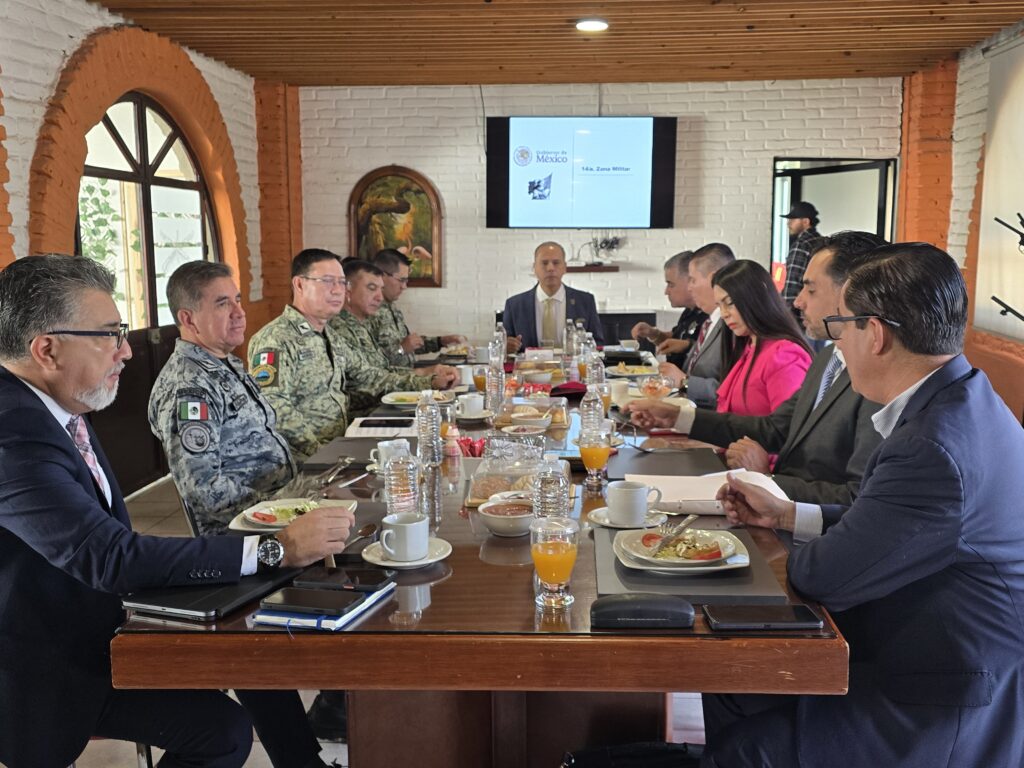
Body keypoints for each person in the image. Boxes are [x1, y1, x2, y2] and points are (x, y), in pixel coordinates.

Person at [0, 255, 351, 768]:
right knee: (224, 727)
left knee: (237, 674)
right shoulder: (14, 434)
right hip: (48, 661)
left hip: (104, 616)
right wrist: (276, 548)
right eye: (109, 334)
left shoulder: (58, 403)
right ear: (47, 349)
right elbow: (109, 556)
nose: (125, 350)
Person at [702, 243, 1024, 767]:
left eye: (840, 326)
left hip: (942, 693)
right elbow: (888, 524)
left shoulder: (931, 448)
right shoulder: (966, 397)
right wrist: (786, 514)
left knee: (743, 750)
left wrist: (788, 541)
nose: (836, 345)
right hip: (932, 651)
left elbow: (824, 577)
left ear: (875, 333)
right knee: (730, 687)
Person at [627, 231, 886, 504]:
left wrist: (765, 480)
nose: (798, 301)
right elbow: (774, 428)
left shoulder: (875, 378)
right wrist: (677, 417)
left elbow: (857, 496)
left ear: (850, 294)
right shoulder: (828, 358)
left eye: (810, 290)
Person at [149, 261, 296, 536]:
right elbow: (204, 489)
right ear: (188, 319)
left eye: (237, 300)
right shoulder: (189, 387)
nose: (239, 312)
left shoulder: (222, 364)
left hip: (277, 512)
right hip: (248, 533)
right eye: (222, 304)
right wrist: (282, 512)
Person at [247, 248, 352, 462]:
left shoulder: (329, 335)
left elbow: (364, 375)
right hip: (300, 462)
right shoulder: (275, 339)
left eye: (342, 282)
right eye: (327, 281)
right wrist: (321, 453)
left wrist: (421, 381)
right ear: (300, 284)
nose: (337, 290)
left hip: (337, 451)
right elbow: (274, 406)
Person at [330, 259, 457, 417]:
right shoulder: (339, 329)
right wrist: (427, 379)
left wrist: (425, 372)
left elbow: (383, 369)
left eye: (380, 289)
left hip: (381, 406)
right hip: (365, 415)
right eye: (371, 288)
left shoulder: (361, 325)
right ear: (347, 290)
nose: (379, 297)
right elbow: (365, 381)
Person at [705, 260, 811, 416]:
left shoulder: (784, 355)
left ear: (758, 297)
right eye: (719, 306)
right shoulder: (747, 347)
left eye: (730, 303)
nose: (724, 314)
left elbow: (786, 425)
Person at [659, 242, 735, 408]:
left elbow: (732, 395)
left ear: (713, 279)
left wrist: (684, 382)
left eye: (692, 280)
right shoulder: (710, 322)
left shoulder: (734, 327)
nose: (689, 288)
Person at [369, 248, 464, 368]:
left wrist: (441, 341)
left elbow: (410, 345)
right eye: (401, 280)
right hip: (393, 378)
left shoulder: (392, 308)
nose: (404, 287)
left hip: (409, 376)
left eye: (406, 281)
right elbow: (371, 365)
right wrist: (401, 349)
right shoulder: (368, 311)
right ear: (382, 276)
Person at [501, 241, 604, 352]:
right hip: (530, 363)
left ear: (564, 267)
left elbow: (597, 343)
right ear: (534, 268)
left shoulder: (585, 301)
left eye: (556, 263)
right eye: (544, 263)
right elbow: (504, 345)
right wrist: (506, 347)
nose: (550, 268)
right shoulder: (514, 305)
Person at [630, 250, 708, 370]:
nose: (666, 292)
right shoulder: (690, 311)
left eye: (671, 285)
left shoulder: (710, 315)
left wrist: (688, 346)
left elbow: (712, 356)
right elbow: (674, 341)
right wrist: (653, 333)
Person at [779, 201, 825, 312]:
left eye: (792, 220)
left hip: (799, 310)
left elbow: (792, 285)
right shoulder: (822, 242)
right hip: (817, 306)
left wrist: (786, 312)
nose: (788, 224)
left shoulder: (801, 244)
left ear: (805, 222)